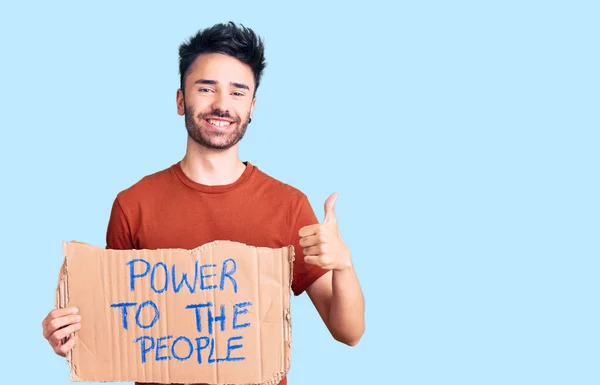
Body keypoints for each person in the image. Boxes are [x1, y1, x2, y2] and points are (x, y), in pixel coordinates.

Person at [42, 21, 365, 385]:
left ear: (253, 107)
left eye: (238, 92)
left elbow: (348, 332)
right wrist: (70, 335)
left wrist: (344, 266)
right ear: (181, 100)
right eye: (206, 88)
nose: (221, 105)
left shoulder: (288, 205)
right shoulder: (133, 205)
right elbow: (117, 326)